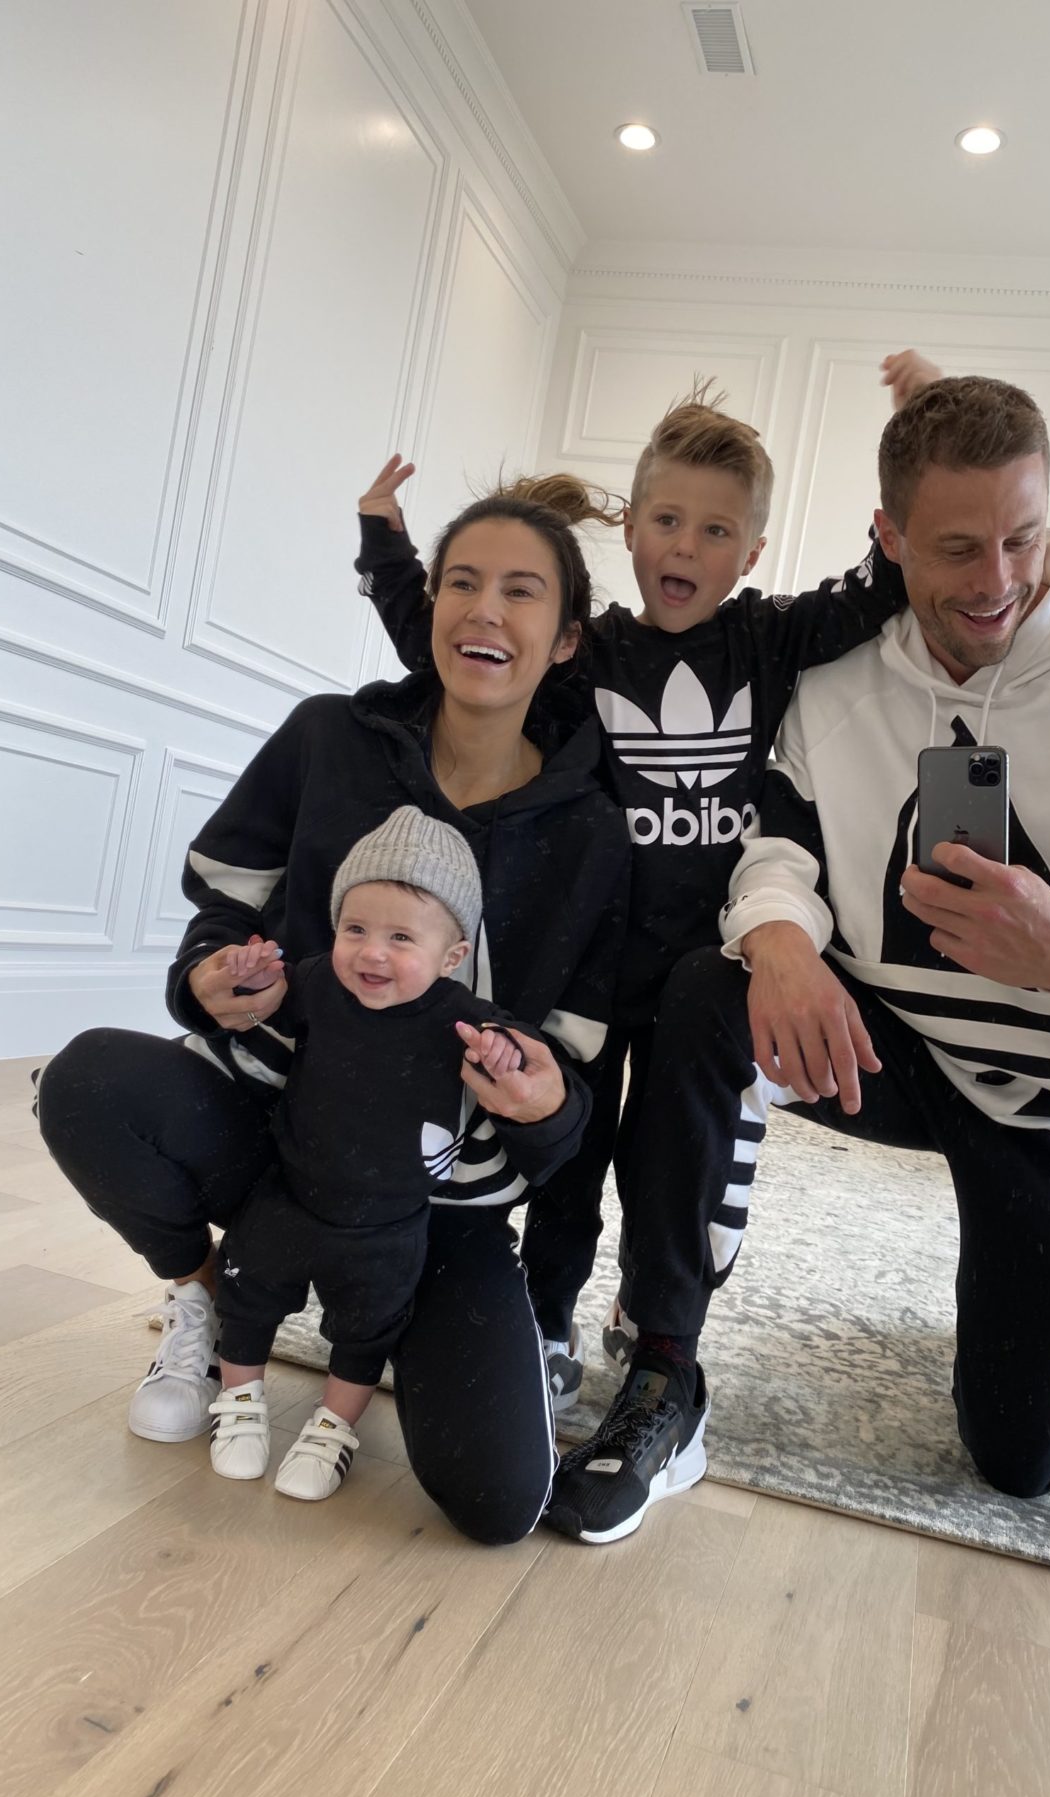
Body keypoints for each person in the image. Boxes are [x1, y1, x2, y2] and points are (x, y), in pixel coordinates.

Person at [546, 359, 1050, 1543]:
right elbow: (779, 851)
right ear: (888, 539)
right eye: (957, 549)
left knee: (1017, 1459)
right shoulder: (837, 677)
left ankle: (1026, 1311)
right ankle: (665, 1362)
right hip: (892, 1049)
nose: (998, 582)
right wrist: (776, 939)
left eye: (1022, 539)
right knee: (705, 989)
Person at [35, 478, 630, 1546]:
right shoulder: (326, 741)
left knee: (498, 1499)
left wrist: (541, 1103)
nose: (483, 610)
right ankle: (211, 1295)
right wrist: (213, 976)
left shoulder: (593, 836)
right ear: (430, 606)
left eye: (520, 592)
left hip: (436, 1209)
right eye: (460, 582)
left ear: (567, 639)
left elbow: (573, 1102)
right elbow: (223, 914)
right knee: (85, 1080)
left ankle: (376, 1320)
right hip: (277, 1147)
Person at [355, 371, 911, 1402]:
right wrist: (385, 544)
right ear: (634, 530)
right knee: (569, 1160)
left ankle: (656, 1303)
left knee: (670, 1165)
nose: (685, 548)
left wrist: (920, 420)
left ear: (749, 553)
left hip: (705, 978)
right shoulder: (588, 648)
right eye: (666, 520)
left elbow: (878, 587)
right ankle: (548, 1314)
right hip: (591, 965)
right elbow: (464, 653)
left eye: (715, 532)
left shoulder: (768, 638)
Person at [207, 806, 590, 1501]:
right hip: (291, 1193)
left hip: (391, 1222)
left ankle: (332, 1426)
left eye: (401, 937)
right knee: (246, 1293)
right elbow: (266, 1004)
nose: (372, 952)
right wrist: (250, 976)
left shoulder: (461, 1015)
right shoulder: (321, 982)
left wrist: (504, 1053)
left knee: (367, 1329)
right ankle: (239, 1400)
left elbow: (519, 1053)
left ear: (453, 957)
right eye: (355, 928)